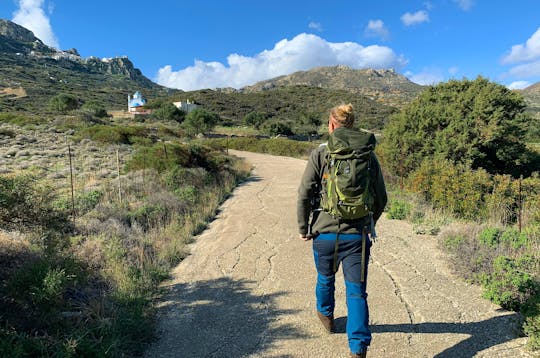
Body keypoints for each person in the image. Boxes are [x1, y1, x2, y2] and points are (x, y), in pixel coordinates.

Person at [297, 103, 387, 358]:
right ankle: (358, 347)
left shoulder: (320, 154)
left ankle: (326, 316)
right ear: (352, 124)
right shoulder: (368, 156)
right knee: (356, 291)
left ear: (332, 125)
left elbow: (304, 193)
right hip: (357, 235)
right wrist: (369, 223)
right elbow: (381, 198)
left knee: (325, 278)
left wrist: (304, 227)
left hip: (323, 234)